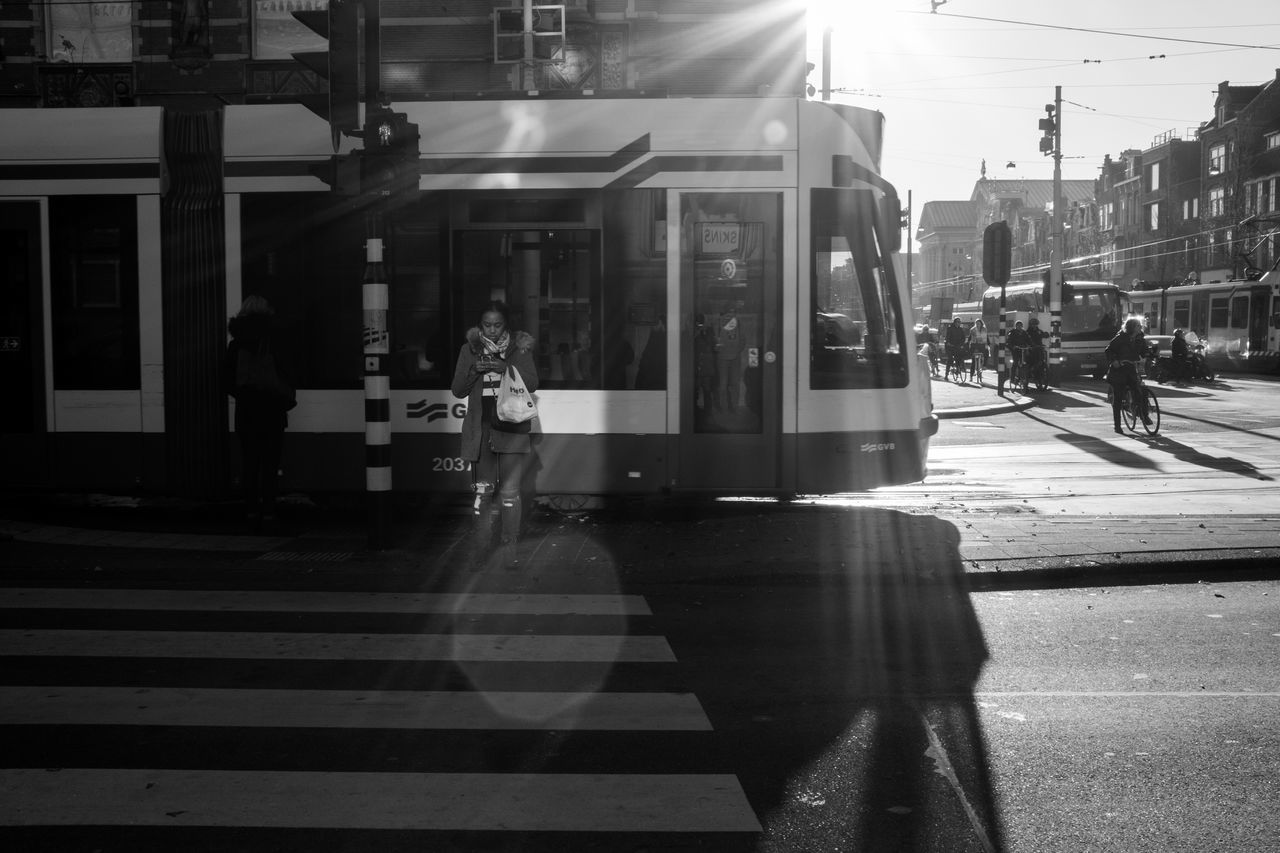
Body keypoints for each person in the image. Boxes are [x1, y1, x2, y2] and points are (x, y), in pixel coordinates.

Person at [451, 301, 538, 567]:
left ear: (506, 325)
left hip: (510, 427)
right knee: (483, 492)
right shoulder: (469, 350)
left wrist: (506, 369)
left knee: (510, 492)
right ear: (479, 326)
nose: (491, 329)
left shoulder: (518, 348)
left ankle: (508, 548)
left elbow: (533, 382)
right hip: (481, 429)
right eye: (486, 324)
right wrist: (474, 370)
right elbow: (457, 390)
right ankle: (481, 548)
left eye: (497, 324)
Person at [224, 295, 294, 532]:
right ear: (267, 313)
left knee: (251, 464)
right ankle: (269, 512)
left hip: (246, 413)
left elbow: (228, 382)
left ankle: (251, 510)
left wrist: (245, 396)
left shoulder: (235, 344)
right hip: (272, 412)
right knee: (270, 464)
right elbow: (286, 374)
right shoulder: (276, 341)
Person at [1104, 317, 1151, 433]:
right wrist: (1114, 361)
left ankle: (1144, 414)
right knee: (1118, 398)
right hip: (1119, 371)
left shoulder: (1140, 339)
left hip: (1131, 369)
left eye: (1140, 325)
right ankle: (1117, 426)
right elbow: (1108, 350)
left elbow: (1143, 351)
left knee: (1141, 391)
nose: (1140, 327)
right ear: (1131, 328)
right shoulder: (1120, 338)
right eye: (1138, 326)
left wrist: (1149, 353)